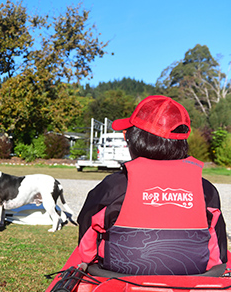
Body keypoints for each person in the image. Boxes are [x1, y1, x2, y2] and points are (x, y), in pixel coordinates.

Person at [77, 95, 227, 275]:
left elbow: (87, 234)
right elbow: (217, 255)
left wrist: (89, 261)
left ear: (135, 140)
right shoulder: (205, 189)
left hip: (118, 278)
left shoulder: (114, 186)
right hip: (191, 279)